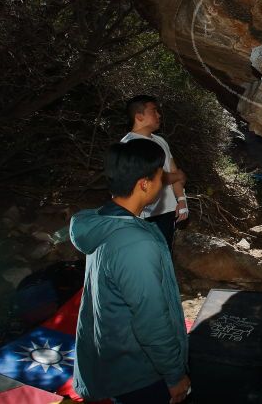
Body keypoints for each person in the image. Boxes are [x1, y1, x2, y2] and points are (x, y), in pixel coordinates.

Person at [70, 139, 190, 403]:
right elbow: (151, 319)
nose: (163, 183)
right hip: (140, 371)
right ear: (144, 184)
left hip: (115, 358)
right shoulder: (136, 243)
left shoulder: (102, 221)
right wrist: (174, 374)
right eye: (160, 177)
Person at [121, 95, 188, 250]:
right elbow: (147, 179)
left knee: (164, 254)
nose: (159, 115)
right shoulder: (128, 144)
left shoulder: (160, 141)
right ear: (139, 116)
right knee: (146, 257)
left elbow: (173, 170)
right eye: (154, 111)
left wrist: (181, 200)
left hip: (167, 211)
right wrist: (176, 176)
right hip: (142, 213)